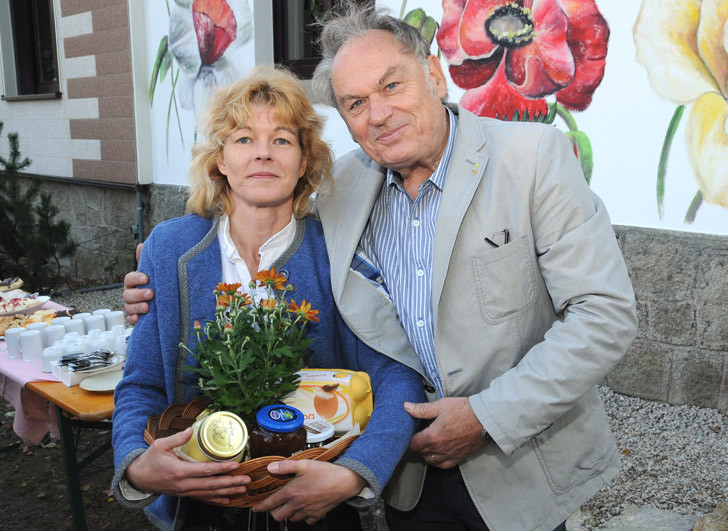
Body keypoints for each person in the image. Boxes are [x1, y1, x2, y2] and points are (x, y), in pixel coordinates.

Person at [125, 4, 638, 530]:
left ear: (435, 76)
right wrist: (155, 273)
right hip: (408, 472)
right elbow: (251, 203)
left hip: (516, 463)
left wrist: (485, 418)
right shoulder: (342, 189)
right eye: (355, 103)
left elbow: (605, 315)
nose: (379, 114)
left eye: (392, 86)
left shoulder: (533, 159)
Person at [111, 65, 425, 530]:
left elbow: (396, 375)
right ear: (219, 158)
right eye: (242, 139)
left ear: (303, 162)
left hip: (314, 508)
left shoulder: (336, 250)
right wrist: (137, 464)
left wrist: (353, 474)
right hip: (201, 508)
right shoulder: (169, 248)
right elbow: (141, 384)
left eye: (281, 139)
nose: (262, 153)